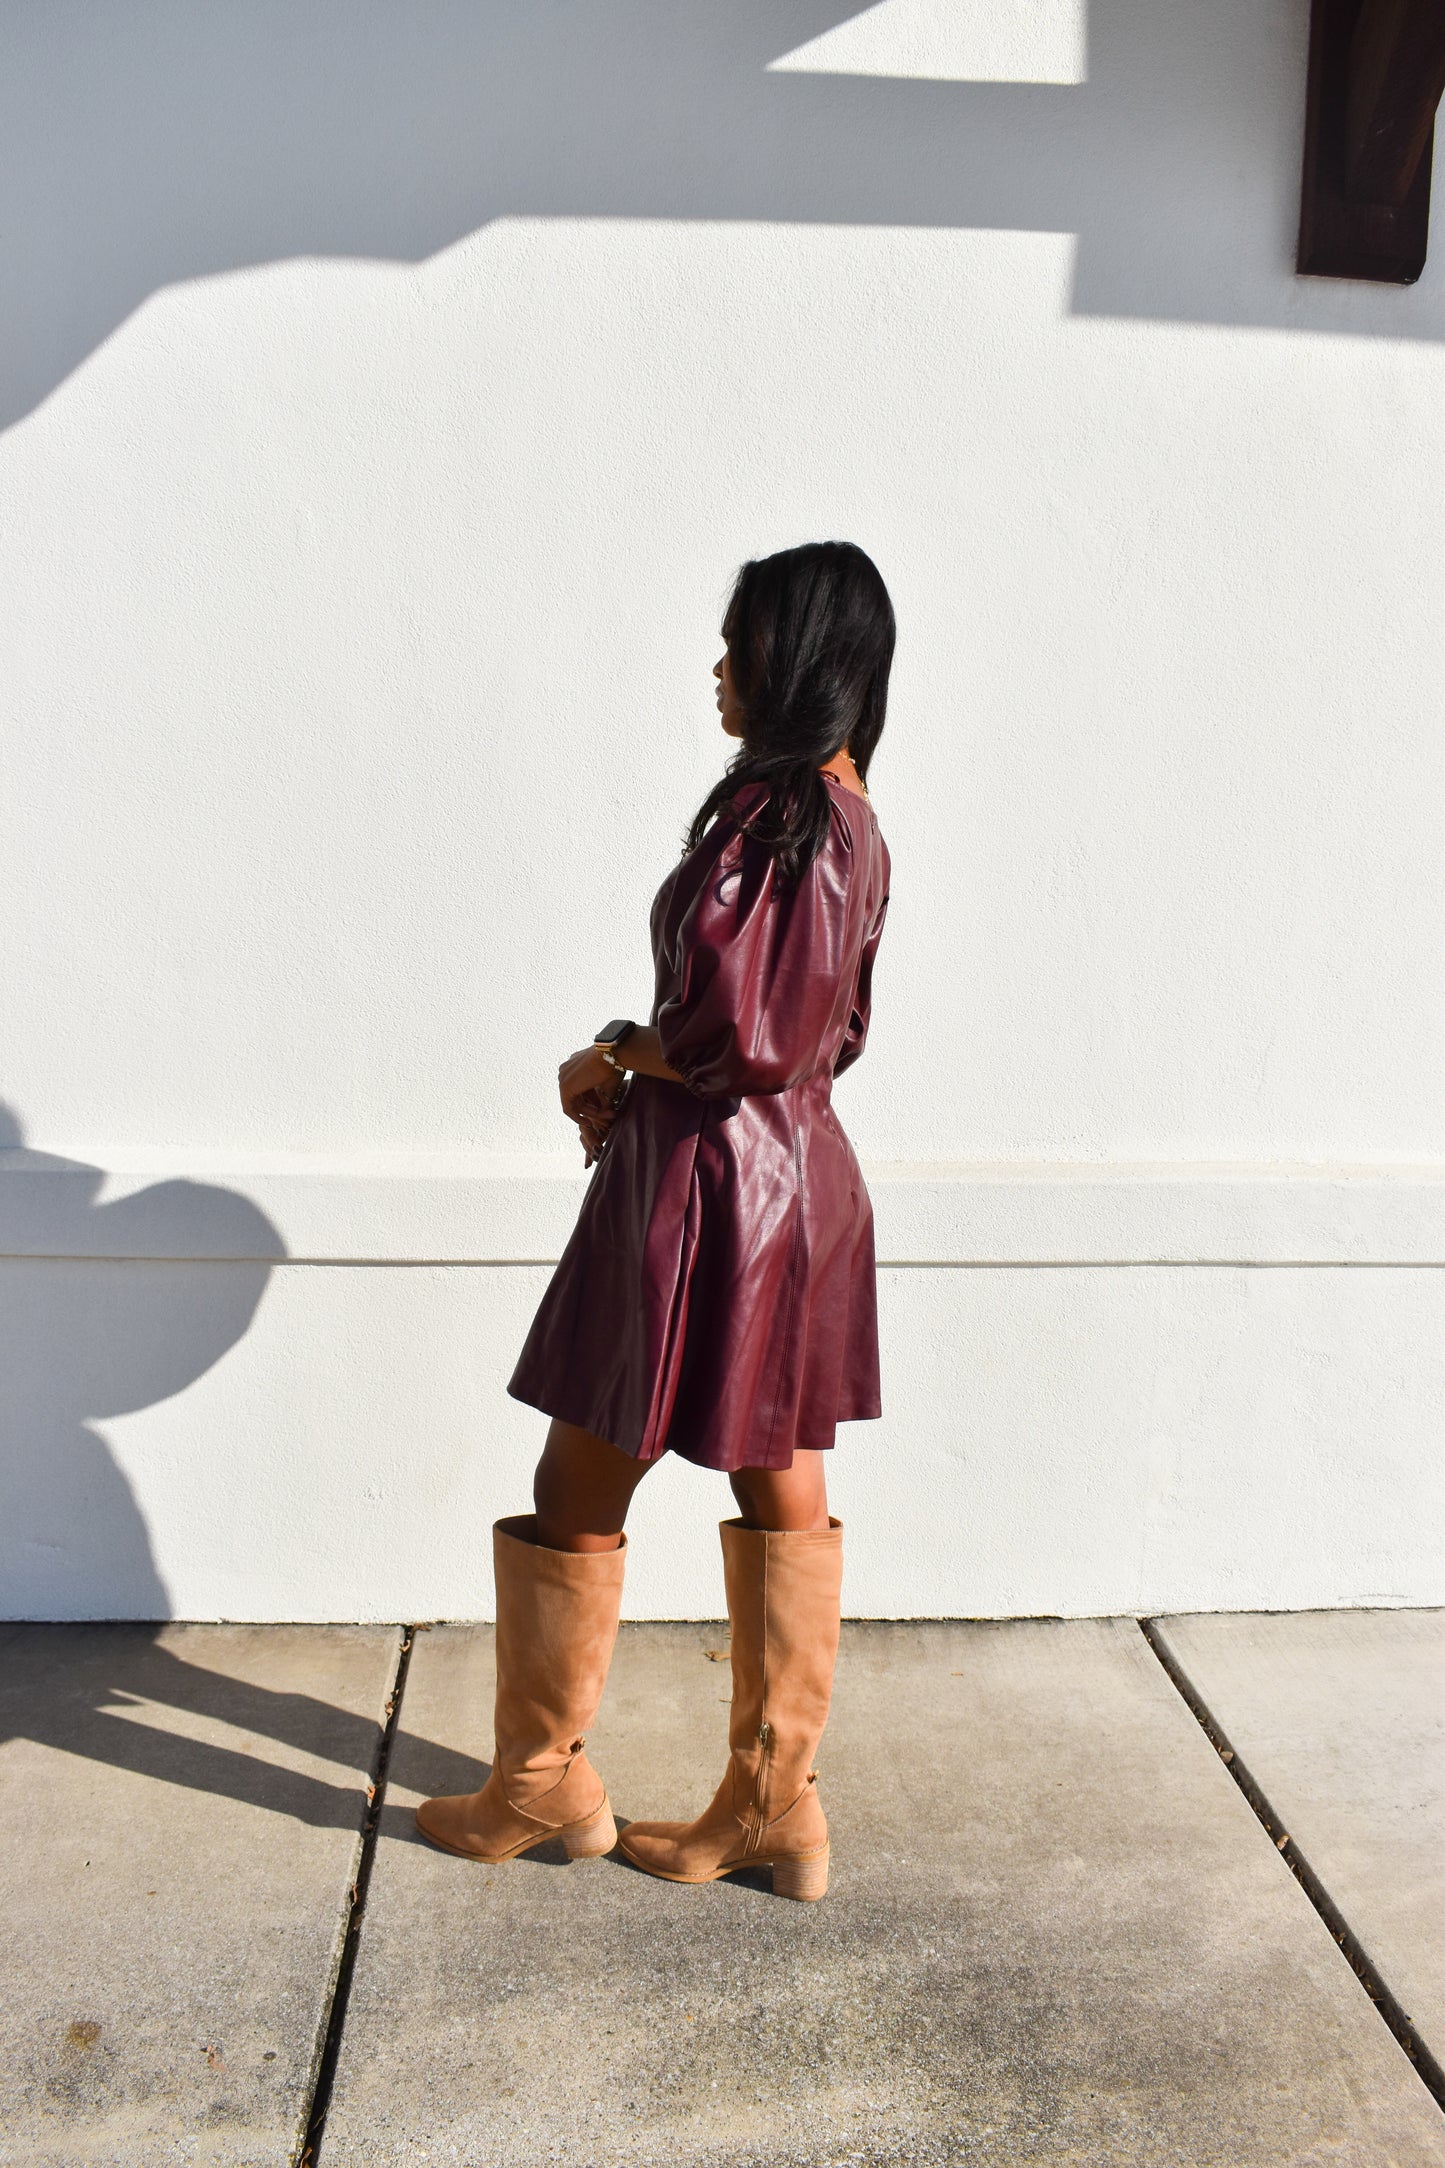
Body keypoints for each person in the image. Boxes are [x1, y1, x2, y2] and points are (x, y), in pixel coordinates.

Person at [416, 540, 894, 1902]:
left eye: (740, 643)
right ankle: (773, 1809)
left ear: (795, 659)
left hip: (707, 1191)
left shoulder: (776, 817)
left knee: (581, 1478)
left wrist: (613, 1051)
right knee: (779, 1476)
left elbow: (738, 1035)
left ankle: (540, 1785)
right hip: (797, 1181)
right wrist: (641, 1056)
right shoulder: (850, 819)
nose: (719, 668)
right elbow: (813, 1036)